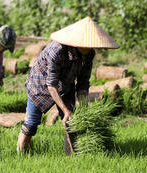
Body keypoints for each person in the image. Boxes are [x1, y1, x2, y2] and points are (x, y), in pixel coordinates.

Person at [17, 17, 118, 154]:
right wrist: (65, 110)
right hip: (40, 85)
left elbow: (83, 83)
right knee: (31, 125)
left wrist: (84, 110)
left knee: (72, 124)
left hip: (66, 85)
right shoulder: (57, 50)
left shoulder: (89, 54)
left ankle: (71, 157)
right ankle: (21, 156)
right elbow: (51, 85)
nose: (90, 47)